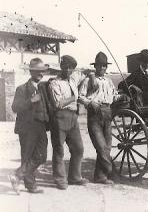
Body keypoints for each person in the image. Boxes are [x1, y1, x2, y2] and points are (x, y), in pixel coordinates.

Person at [79, 52, 128, 184]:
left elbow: (114, 96)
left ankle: (100, 177)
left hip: (108, 113)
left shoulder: (109, 81)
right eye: (100, 66)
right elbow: (80, 97)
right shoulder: (88, 80)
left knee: (107, 146)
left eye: (104, 66)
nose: (102, 68)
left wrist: (122, 97)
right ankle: (112, 172)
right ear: (96, 66)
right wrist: (90, 103)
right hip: (94, 115)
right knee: (101, 147)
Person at [8, 58, 49, 194]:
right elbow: (15, 107)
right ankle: (31, 186)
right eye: (38, 72)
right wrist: (31, 100)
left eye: (42, 71)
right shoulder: (22, 88)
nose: (41, 74)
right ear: (31, 72)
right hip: (27, 127)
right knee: (27, 156)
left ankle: (17, 175)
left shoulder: (44, 87)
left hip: (41, 125)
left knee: (42, 156)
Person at [49, 55, 88, 190]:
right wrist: (74, 98)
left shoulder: (72, 80)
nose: (68, 70)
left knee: (78, 148)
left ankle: (74, 177)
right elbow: (58, 103)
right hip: (59, 117)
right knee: (59, 150)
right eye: (65, 67)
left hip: (73, 118)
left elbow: (84, 76)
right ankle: (60, 179)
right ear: (61, 67)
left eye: (71, 68)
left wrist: (91, 76)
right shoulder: (55, 83)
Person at [118, 49, 148, 116]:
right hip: (144, 101)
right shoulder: (135, 75)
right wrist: (132, 87)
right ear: (141, 62)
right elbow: (121, 85)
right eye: (146, 62)